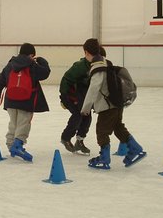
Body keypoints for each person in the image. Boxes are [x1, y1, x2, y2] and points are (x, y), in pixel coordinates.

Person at [81, 39, 146, 170]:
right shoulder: (105, 62)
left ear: (86, 52)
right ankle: (135, 148)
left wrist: (86, 108)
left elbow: (94, 88)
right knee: (117, 127)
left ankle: (104, 158)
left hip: (107, 106)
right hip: (117, 103)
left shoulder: (97, 67)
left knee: (102, 131)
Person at [0, 43, 50, 161]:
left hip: (10, 100)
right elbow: (45, 73)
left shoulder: (10, 65)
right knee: (24, 123)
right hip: (26, 101)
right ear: (31, 55)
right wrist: (41, 60)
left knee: (13, 122)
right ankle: (17, 145)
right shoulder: (32, 65)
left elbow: (0, 80)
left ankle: (10, 144)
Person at [59, 39, 103, 155]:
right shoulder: (80, 66)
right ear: (86, 53)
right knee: (78, 115)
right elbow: (66, 79)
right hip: (71, 96)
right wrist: (63, 97)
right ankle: (66, 138)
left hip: (85, 98)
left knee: (87, 117)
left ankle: (80, 140)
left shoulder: (98, 65)